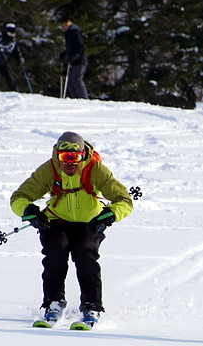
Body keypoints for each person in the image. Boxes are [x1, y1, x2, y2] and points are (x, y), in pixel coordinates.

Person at [10, 132, 132, 326]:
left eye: (74, 157)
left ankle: (92, 306)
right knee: (55, 254)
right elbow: (19, 197)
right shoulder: (49, 170)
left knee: (85, 255)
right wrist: (28, 210)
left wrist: (111, 214)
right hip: (57, 221)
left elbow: (124, 200)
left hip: (90, 222)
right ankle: (53, 303)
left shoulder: (95, 169)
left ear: (83, 155)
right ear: (57, 155)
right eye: (64, 157)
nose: (69, 162)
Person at [58, 16, 88, 98]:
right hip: (73, 62)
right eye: (61, 25)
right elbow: (71, 48)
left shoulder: (75, 33)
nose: (63, 27)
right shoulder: (69, 34)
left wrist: (73, 56)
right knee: (70, 83)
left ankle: (83, 99)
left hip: (79, 61)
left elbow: (80, 47)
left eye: (65, 24)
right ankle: (76, 100)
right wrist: (65, 55)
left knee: (76, 81)